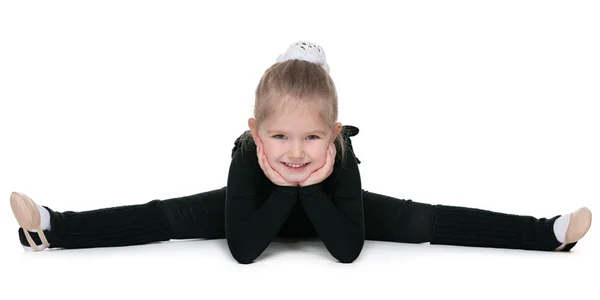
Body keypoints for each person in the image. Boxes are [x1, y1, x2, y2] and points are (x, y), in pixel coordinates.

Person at [10, 41, 592, 264]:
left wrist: (313, 185)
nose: (295, 150)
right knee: (167, 215)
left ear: (334, 134)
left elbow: (346, 249)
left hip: (337, 203)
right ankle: (56, 227)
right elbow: (243, 250)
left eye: (312, 137)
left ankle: (546, 233)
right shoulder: (246, 155)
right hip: (247, 202)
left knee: (424, 219)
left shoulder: (341, 158)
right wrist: (283, 187)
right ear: (254, 132)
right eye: (280, 137)